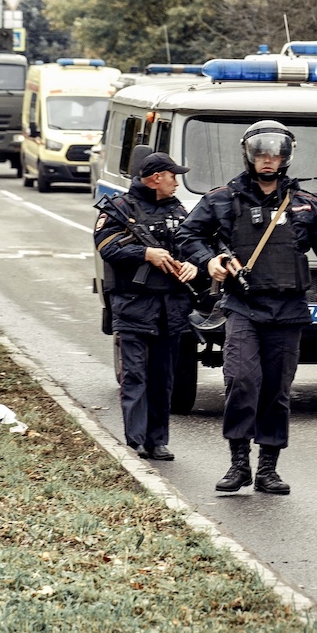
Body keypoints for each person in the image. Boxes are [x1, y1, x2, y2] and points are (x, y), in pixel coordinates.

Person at [178, 120, 317, 497]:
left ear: (286, 157)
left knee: (276, 390)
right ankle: (238, 462)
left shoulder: (305, 203)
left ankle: (268, 468)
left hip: (288, 310)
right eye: (261, 154)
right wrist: (209, 260)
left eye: (275, 154)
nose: (268, 161)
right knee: (242, 380)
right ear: (250, 156)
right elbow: (187, 234)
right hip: (244, 306)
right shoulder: (223, 199)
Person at [96, 151, 197, 461]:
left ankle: (157, 440)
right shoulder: (121, 208)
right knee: (135, 376)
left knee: (163, 377)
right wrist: (145, 254)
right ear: (156, 178)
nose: (177, 183)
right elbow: (105, 245)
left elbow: (195, 244)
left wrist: (193, 264)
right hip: (134, 306)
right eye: (173, 176)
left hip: (170, 309)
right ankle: (135, 440)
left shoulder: (179, 211)